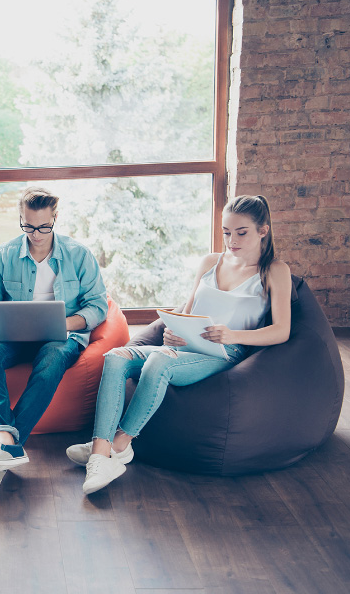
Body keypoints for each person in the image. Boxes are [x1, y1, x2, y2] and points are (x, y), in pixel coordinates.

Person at [67, 195, 292, 494]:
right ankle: (100, 449)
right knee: (116, 356)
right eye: (226, 232)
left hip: (225, 352)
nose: (232, 240)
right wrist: (172, 333)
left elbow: (282, 331)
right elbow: (186, 312)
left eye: (241, 233)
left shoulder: (274, 270)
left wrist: (233, 335)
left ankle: (120, 446)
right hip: (188, 346)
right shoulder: (211, 262)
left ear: (263, 231)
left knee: (159, 362)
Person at [0, 186, 109, 491]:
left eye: (44, 226)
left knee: (53, 358)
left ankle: (4, 446)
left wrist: (63, 322)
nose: (36, 233)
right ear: (21, 218)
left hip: (63, 335)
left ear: (55, 218)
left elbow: (98, 306)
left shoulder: (78, 255)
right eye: (28, 226)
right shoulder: (3, 255)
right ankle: (5, 440)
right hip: (14, 336)